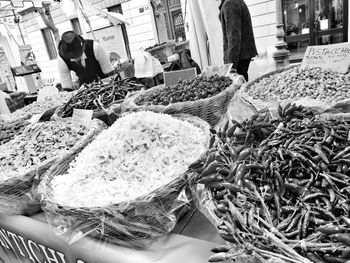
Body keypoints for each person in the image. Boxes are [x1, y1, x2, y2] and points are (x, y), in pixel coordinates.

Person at [219, 0, 258, 81]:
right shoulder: (234, 2)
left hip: (238, 57)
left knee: (239, 86)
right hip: (242, 55)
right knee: (242, 82)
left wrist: (232, 67)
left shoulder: (230, 4)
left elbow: (234, 37)